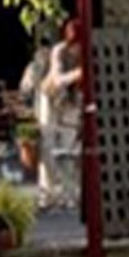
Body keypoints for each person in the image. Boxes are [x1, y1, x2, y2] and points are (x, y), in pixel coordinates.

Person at [37, 21, 84, 208]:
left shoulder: (86, 55)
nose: (77, 49)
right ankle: (47, 194)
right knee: (48, 145)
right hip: (49, 98)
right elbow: (56, 79)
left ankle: (69, 193)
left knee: (69, 147)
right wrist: (77, 74)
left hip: (70, 102)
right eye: (74, 44)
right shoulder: (59, 51)